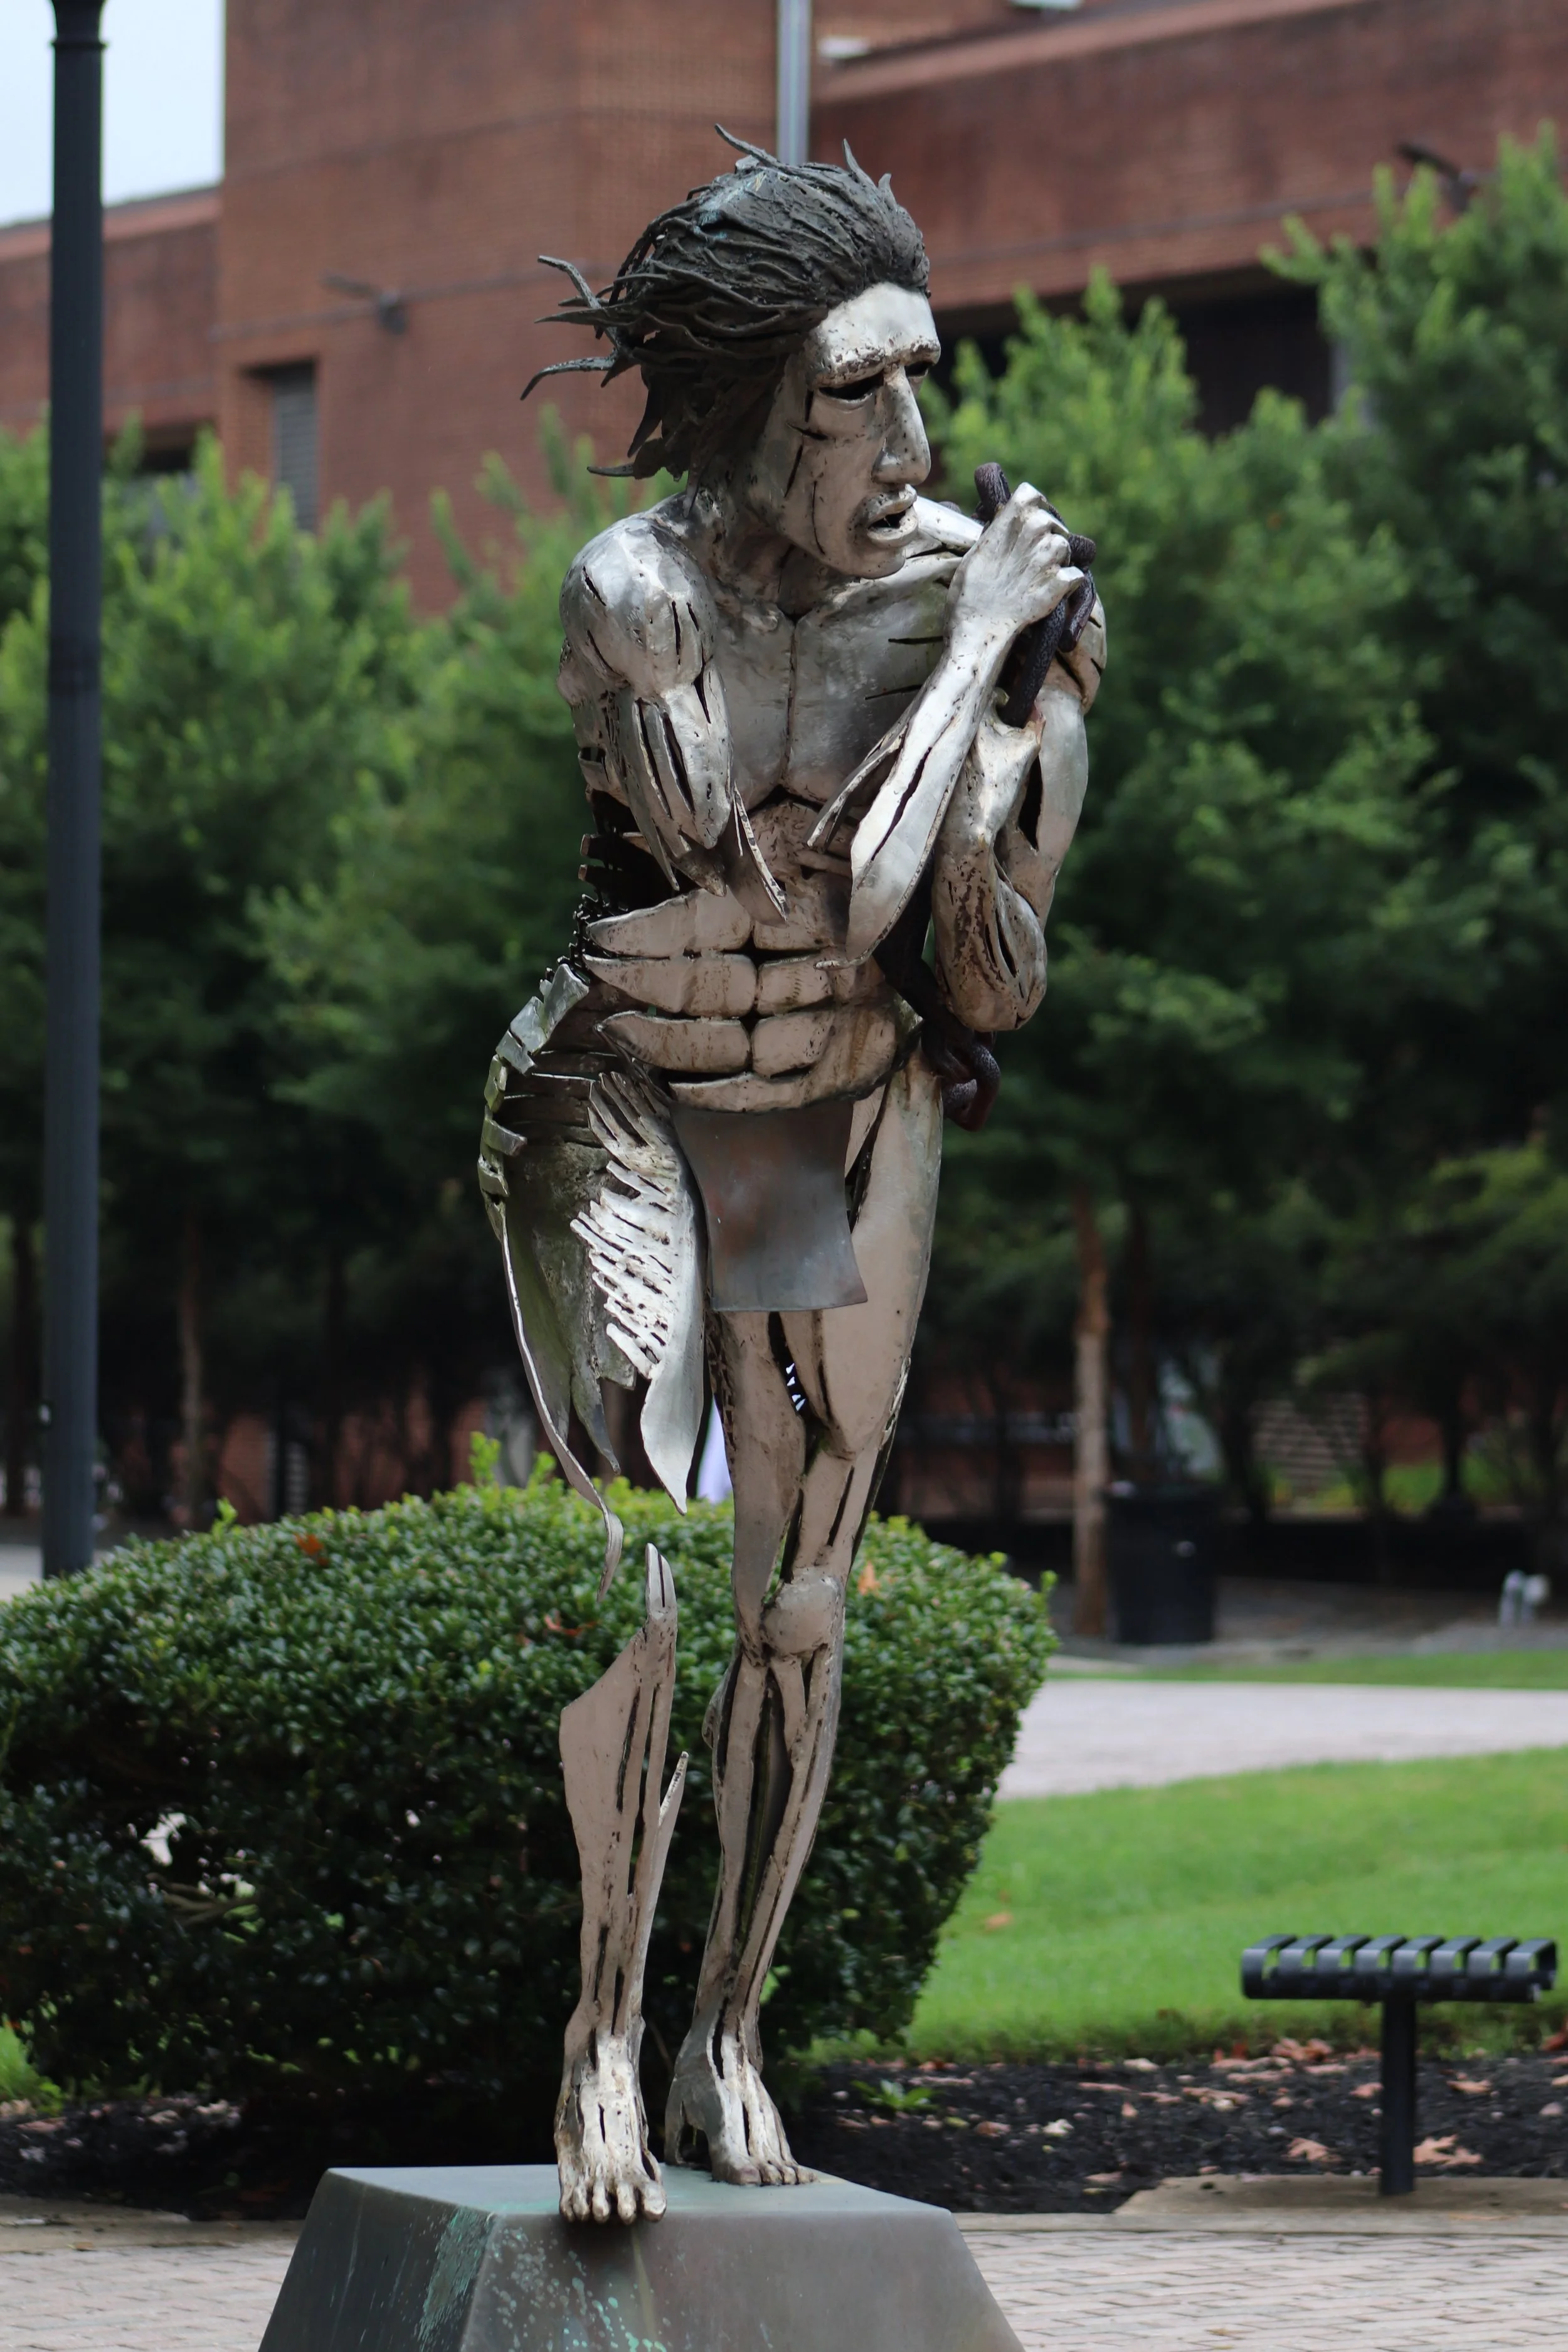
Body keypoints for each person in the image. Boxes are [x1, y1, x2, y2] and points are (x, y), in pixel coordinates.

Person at [477, 136, 1104, 2225]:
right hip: (628, 1090)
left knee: (801, 1611)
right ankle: (595, 2036)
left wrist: (1027, 717)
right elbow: (800, 898)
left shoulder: (979, 595)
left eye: (923, 384)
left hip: (838, 1112)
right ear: (756, 408)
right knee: (648, 1588)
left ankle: (726, 2024)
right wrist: (974, 658)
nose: (912, 444)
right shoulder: (635, 600)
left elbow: (976, 977)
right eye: (856, 398)